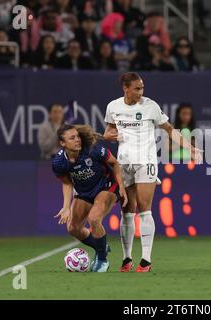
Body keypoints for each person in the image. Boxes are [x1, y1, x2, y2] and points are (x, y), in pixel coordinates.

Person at [103, 72, 202, 272]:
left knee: (144, 208)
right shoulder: (113, 107)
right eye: (137, 88)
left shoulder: (151, 106)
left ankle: (146, 260)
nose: (141, 91)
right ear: (126, 88)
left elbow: (170, 130)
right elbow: (108, 131)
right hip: (123, 163)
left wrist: (191, 148)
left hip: (146, 162)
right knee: (127, 211)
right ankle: (126, 259)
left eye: (142, 87)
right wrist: (108, 136)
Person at [52, 124, 128, 272]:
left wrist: (122, 186)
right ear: (62, 143)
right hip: (84, 192)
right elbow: (67, 183)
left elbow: (114, 163)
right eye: (72, 138)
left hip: (107, 185)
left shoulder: (93, 149)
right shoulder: (59, 162)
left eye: (77, 136)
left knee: (93, 219)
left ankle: (102, 260)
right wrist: (66, 207)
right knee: (73, 228)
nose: (77, 140)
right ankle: (101, 247)